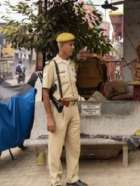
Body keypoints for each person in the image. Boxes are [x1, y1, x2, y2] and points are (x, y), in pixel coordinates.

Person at [42, 33, 87, 186]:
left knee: (74, 146)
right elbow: (45, 92)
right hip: (59, 110)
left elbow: (73, 87)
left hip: (73, 109)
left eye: (73, 44)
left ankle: (72, 179)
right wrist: (49, 117)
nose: (73, 47)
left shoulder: (71, 64)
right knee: (55, 148)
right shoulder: (51, 65)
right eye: (70, 45)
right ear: (61, 46)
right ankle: (55, 181)